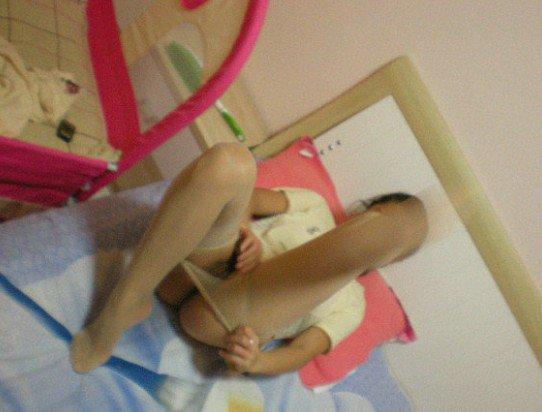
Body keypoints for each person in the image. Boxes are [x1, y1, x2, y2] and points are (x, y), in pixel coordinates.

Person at [70, 143, 428, 374]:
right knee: (231, 161)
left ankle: (382, 238)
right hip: (195, 268)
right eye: (372, 218)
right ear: (361, 215)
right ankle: (128, 299)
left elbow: (303, 352)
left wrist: (258, 361)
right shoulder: (314, 206)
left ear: (385, 260)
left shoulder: (352, 304)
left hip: (226, 316)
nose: (368, 225)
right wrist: (247, 233)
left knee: (384, 236)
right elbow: (247, 200)